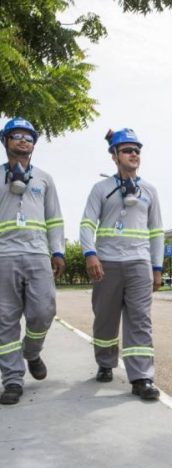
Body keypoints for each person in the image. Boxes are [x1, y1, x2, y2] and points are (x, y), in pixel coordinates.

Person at [80, 128, 164, 400]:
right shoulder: (101, 189)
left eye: (137, 150)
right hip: (107, 263)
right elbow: (87, 223)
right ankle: (105, 363)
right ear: (114, 155)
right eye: (127, 150)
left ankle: (141, 378)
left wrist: (157, 267)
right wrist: (90, 253)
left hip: (139, 263)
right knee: (105, 319)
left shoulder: (149, 191)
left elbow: (156, 231)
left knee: (140, 320)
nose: (134, 154)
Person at [0, 117, 65, 405]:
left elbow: (54, 218)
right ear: (5, 141)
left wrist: (58, 251)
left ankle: (32, 351)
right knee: (5, 322)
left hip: (38, 255)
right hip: (4, 257)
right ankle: (12, 380)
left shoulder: (44, 178)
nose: (24, 140)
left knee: (43, 311)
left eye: (29, 137)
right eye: (17, 135)